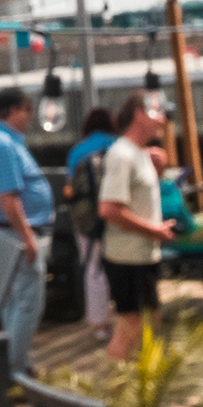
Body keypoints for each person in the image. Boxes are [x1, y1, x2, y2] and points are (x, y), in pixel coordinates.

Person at [0, 86, 55, 377]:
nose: (29, 117)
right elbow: (7, 197)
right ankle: (16, 369)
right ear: (13, 110)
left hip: (6, 233)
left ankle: (14, 362)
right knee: (28, 302)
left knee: (12, 300)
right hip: (14, 234)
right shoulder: (2, 145)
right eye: (26, 110)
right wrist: (27, 237)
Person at [98, 91, 176, 360]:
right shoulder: (122, 154)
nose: (163, 119)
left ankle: (141, 380)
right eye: (157, 112)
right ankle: (115, 384)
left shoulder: (139, 153)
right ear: (139, 114)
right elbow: (109, 209)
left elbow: (138, 197)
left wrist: (158, 169)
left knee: (150, 323)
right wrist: (154, 230)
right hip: (126, 257)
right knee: (130, 327)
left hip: (143, 255)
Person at [65, 108, 116, 342]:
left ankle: (100, 325)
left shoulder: (77, 151)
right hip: (115, 214)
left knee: (94, 269)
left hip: (86, 218)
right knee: (120, 265)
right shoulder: (117, 145)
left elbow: (69, 188)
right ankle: (127, 318)